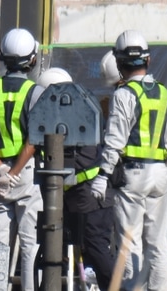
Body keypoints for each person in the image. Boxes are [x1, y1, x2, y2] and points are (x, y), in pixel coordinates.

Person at [89, 31, 167, 291]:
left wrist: (102, 177)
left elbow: (115, 142)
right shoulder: (166, 95)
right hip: (160, 175)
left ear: (119, 64)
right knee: (157, 243)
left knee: (129, 243)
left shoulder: (123, 95)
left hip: (132, 176)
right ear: (148, 60)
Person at [0, 27, 46, 291]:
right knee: (30, 245)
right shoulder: (36, 93)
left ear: (1, 57)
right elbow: (34, 140)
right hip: (26, 174)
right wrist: (14, 171)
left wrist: (1, 168)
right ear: (32, 60)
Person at [37, 65, 117, 291]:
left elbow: (72, 161)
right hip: (83, 195)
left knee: (96, 246)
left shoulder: (70, 119)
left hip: (91, 196)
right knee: (91, 247)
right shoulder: (76, 109)